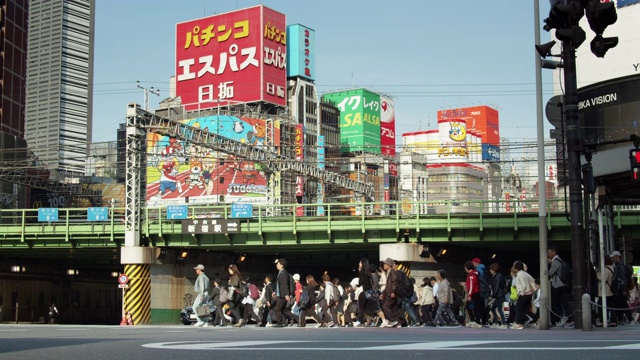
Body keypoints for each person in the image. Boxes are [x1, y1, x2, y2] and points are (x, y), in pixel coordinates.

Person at [355, 258, 387, 327]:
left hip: (365, 292)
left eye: (360, 263)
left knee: (361, 307)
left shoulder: (362, 272)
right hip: (372, 292)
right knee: (376, 308)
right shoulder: (370, 273)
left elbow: (360, 283)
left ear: (362, 264)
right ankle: (383, 320)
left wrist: (359, 272)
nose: (359, 264)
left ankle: (361, 321)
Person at [547, 246, 573, 327]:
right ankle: (570, 317)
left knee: (555, 302)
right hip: (562, 284)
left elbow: (550, 273)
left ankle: (560, 317)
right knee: (564, 302)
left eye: (549, 252)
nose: (548, 254)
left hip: (557, 285)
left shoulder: (556, 261)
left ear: (553, 252)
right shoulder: (559, 261)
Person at [512, 261, 537, 330]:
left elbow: (523, 285)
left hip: (524, 294)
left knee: (518, 308)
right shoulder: (525, 273)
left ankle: (519, 324)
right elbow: (532, 279)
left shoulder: (519, 274)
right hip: (529, 294)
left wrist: (521, 292)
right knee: (526, 309)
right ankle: (536, 318)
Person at [271, 258, 295, 327]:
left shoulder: (284, 273)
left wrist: (287, 294)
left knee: (277, 308)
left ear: (281, 265)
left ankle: (280, 322)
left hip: (283, 295)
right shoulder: (280, 273)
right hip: (280, 294)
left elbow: (285, 285)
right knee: (283, 310)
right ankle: (289, 320)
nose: (277, 265)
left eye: (278, 264)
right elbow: (280, 285)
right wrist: (275, 291)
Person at [380, 257, 402, 328]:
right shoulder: (389, 272)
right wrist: (383, 293)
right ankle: (399, 323)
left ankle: (393, 320)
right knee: (394, 309)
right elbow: (388, 285)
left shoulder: (392, 272)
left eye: (385, 264)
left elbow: (394, 282)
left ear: (389, 265)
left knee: (385, 307)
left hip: (391, 294)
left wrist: (393, 291)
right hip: (389, 293)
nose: (384, 265)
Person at [595, 255, 615, 327]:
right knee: (611, 307)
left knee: (600, 306)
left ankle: (602, 321)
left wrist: (598, 275)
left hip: (605, 291)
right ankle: (613, 320)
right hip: (610, 291)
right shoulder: (612, 268)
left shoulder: (605, 269)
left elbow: (603, 279)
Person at [464, 260, 484, 328]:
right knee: (471, 307)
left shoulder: (472, 276)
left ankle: (476, 321)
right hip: (473, 293)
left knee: (474, 308)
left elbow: (472, 286)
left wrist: (469, 295)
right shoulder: (472, 275)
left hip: (474, 293)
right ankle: (474, 320)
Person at [488, 263, 507, 328]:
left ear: (494, 269)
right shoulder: (497, 276)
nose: (490, 270)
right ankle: (496, 322)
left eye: (491, 269)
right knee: (493, 308)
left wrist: (492, 296)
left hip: (499, 295)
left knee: (499, 310)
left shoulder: (497, 277)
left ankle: (504, 324)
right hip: (498, 295)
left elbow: (496, 288)